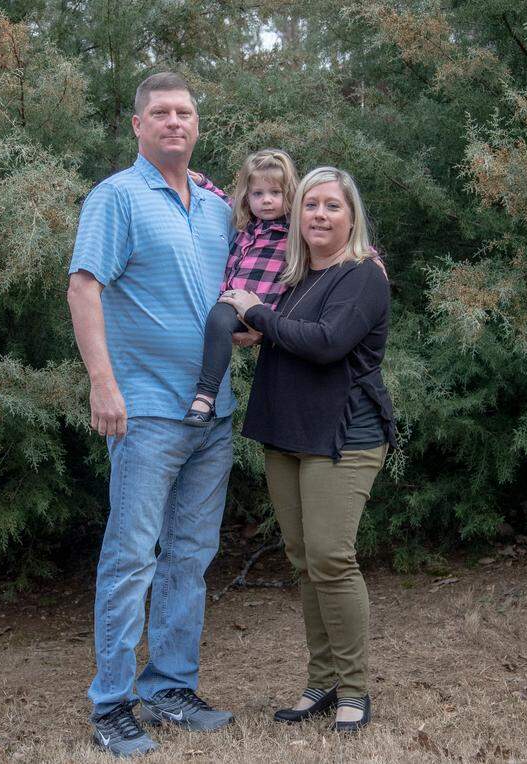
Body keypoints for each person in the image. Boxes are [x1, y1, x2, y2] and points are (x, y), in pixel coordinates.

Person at [66, 72, 237, 758]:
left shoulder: (218, 205)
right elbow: (84, 289)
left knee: (190, 558)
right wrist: (102, 383)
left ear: (197, 125)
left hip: (213, 413)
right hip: (145, 415)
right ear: (136, 125)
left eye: (185, 112)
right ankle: (111, 703)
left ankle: (169, 684)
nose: (174, 122)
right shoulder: (116, 198)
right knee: (132, 558)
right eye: (160, 112)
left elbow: (229, 300)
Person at [218, 167, 396, 733]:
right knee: (303, 562)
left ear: (352, 218)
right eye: (311, 205)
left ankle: (354, 689)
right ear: (296, 214)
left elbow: (326, 344)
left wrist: (257, 313)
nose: (319, 214)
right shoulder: (291, 278)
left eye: (332, 206)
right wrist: (254, 324)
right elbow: (272, 332)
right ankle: (321, 683)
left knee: (331, 559)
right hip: (286, 433)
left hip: (343, 437)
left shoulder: (363, 276)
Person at [182, 149, 299, 426]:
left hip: (263, 309)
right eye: (258, 194)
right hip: (231, 304)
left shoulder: (296, 228)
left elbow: (335, 236)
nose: (266, 200)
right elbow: (223, 199)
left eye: (275, 193)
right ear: (248, 196)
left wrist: (367, 254)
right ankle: (206, 397)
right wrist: (201, 182)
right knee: (218, 317)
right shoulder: (245, 223)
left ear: (290, 194)